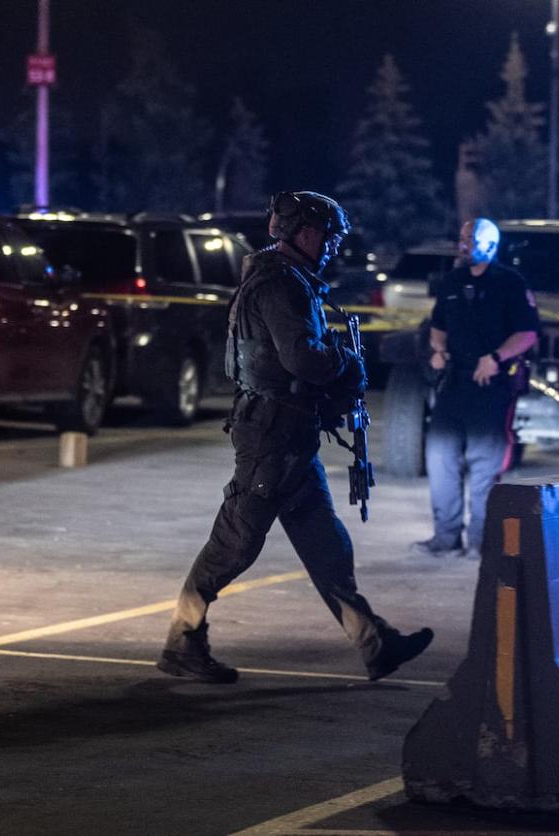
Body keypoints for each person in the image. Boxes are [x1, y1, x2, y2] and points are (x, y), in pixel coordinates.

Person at [158, 191, 433, 684]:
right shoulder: (281, 285)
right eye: (327, 236)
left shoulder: (288, 280)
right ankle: (183, 640)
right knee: (235, 544)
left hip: (290, 435)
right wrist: (347, 362)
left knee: (327, 545)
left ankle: (376, 643)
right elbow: (302, 359)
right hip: (271, 437)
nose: (330, 247)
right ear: (304, 232)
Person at [412, 218, 539, 560]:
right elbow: (439, 326)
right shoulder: (452, 282)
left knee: (485, 465)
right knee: (440, 458)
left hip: (492, 385)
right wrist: (438, 351)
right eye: (462, 237)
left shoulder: (510, 284)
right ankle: (446, 537)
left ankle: (483, 542)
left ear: (487, 244)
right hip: (454, 382)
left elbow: (527, 334)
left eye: (468, 239)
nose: (462, 244)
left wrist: (496, 357)